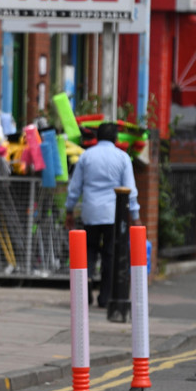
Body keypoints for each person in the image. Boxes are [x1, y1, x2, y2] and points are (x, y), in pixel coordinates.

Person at [64, 122, 141, 309]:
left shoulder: (86, 157)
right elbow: (130, 190)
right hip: (113, 214)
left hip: (90, 212)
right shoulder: (123, 158)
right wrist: (135, 215)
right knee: (110, 255)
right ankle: (105, 298)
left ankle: (87, 282)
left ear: (97, 137)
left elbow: (75, 187)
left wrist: (69, 210)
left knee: (89, 250)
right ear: (116, 139)